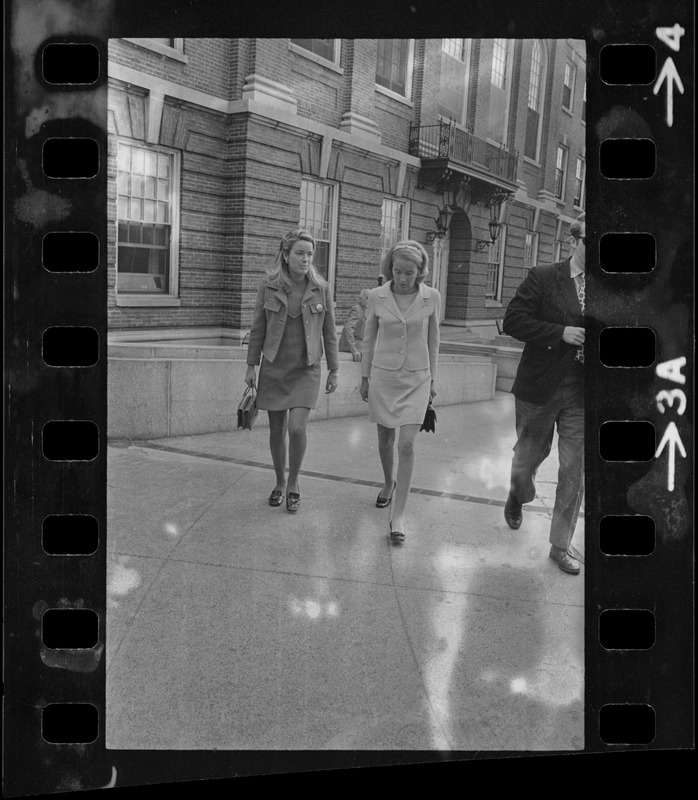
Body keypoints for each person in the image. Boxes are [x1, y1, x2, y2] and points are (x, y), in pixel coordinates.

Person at [502, 212, 586, 574]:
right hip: (540, 385)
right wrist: (560, 332)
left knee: (574, 468)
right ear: (574, 241)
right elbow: (513, 321)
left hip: (583, 391)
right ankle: (519, 492)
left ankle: (560, 545)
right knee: (527, 458)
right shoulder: (544, 276)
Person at [245, 229, 339, 512]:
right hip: (274, 367)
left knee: (297, 429)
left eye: (310, 254)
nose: (305, 259)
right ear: (285, 255)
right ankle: (279, 482)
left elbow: (329, 333)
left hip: (306, 369)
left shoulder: (321, 288)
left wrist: (334, 369)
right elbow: (258, 327)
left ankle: (294, 482)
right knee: (277, 430)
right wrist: (251, 365)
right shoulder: (269, 285)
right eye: (299, 253)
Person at [360, 241, 441, 545]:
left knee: (406, 445)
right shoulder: (377, 297)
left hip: (418, 378)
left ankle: (399, 516)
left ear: (420, 272)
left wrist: (433, 379)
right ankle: (387, 482)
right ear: (389, 268)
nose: (403, 278)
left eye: (410, 272)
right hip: (384, 376)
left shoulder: (432, 297)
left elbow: (434, 341)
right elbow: (369, 338)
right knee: (385, 440)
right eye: (397, 271)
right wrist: (365, 378)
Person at [338, 288, 370, 361]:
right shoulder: (356, 310)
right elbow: (348, 329)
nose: (369, 301)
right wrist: (354, 350)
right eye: (367, 298)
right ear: (360, 299)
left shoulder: (367, 309)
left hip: (361, 344)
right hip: (351, 346)